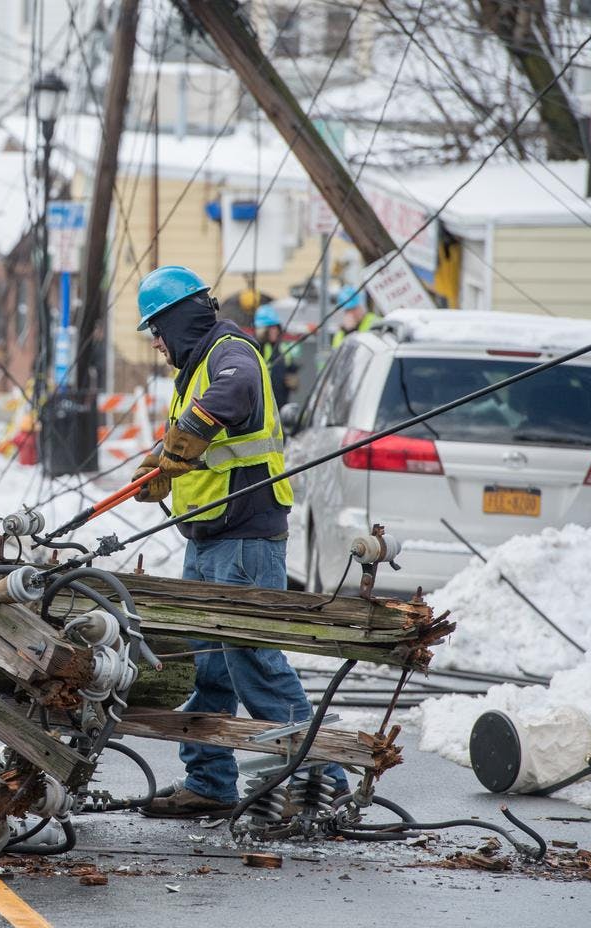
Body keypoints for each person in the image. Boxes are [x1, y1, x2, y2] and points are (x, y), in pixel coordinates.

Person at [130, 265, 349, 818]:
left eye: (157, 327)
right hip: (208, 536)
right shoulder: (197, 365)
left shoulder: (232, 352)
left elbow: (237, 392)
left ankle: (324, 777)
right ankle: (209, 783)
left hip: (245, 539)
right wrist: (164, 461)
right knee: (209, 667)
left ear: (179, 318)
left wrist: (187, 436)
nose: (156, 341)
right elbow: (198, 443)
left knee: (253, 660)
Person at [253, 304, 300, 405]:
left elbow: (291, 369)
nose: (275, 331)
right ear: (261, 329)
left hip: (281, 406)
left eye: (276, 327)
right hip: (261, 407)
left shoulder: (282, 349)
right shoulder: (254, 349)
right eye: (270, 328)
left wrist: (294, 380)